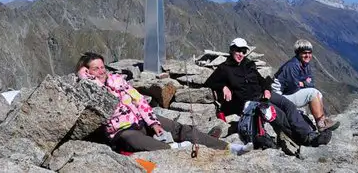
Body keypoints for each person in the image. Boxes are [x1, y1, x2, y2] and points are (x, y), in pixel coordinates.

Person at [75, 52, 253, 155]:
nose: (101, 71)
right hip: (122, 131)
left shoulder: (118, 80)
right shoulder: (91, 89)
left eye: (102, 66)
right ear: (87, 72)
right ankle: (176, 149)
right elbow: (102, 99)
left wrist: (153, 123)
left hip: (142, 121)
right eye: (95, 68)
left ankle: (230, 147)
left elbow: (139, 100)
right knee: (135, 140)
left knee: (178, 128)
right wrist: (85, 76)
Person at [204, 38, 332, 147]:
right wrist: (224, 86)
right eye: (237, 50)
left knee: (289, 106)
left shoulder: (249, 65)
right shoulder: (225, 69)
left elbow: (261, 80)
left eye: (243, 51)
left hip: (263, 94)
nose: (240, 54)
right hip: (251, 101)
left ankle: (309, 134)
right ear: (231, 50)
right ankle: (305, 139)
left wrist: (266, 89)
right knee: (278, 114)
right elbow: (209, 82)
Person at [272, 39, 339, 132]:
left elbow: (311, 82)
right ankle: (321, 124)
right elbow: (293, 87)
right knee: (312, 93)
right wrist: (304, 83)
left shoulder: (305, 65)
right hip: (279, 97)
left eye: (310, 53)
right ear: (298, 53)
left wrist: (302, 83)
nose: (308, 55)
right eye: (304, 53)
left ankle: (323, 120)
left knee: (318, 93)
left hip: (287, 93)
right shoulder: (292, 66)